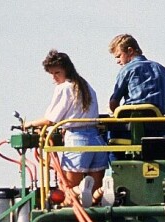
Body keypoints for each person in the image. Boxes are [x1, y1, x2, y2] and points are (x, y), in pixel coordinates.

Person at [24, 50, 108, 206]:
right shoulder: (85, 85)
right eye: (51, 73)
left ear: (66, 70)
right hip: (97, 140)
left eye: (57, 72)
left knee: (68, 192)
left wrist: (29, 124)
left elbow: (50, 119)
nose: (54, 77)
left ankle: (79, 190)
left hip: (77, 140)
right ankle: (91, 191)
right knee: (96, 198)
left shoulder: (64, 88)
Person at [108, 34, 165, 115]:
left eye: (119, 56)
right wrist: (161, 110)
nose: (117, 61)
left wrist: (115, 113)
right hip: (161, 124)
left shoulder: (127, 70)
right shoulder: (162, 69)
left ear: (130, 51)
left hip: (134, 122)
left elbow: (114, 102)